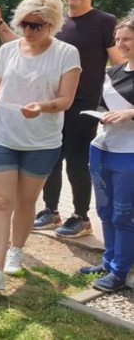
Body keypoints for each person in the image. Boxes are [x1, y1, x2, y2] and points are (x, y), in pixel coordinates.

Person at [0, 0, 124, 238]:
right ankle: (50, 211)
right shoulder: (54, 23)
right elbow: (21, 46)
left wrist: (121, 101)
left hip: (82, 104)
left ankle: (81, 217)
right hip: (47, 103)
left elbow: (119, 62)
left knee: (76, 161)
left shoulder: (105, 22)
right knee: (51, 160)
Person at [0, 0, 81, 291]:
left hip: (41, 141)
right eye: (24, 23)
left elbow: (66, 99)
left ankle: (17, 249)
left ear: (51, 24)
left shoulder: (66, 53)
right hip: (1, 135)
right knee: (0, 202)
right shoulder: (8, 50)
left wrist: (42, 107)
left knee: (25, 201)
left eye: (36, 25)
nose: (29, 31)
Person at [79, 17, 134, 292]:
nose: (121, 44)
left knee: (123, 215)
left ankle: (120, 272)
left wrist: (131, 113)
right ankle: (109, 260)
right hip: (102, 149)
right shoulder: (113, 73)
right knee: (105, 210)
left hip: (129, 155)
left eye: (127, 39)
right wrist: (103, 116)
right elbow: (102, 103)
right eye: (118, 38)